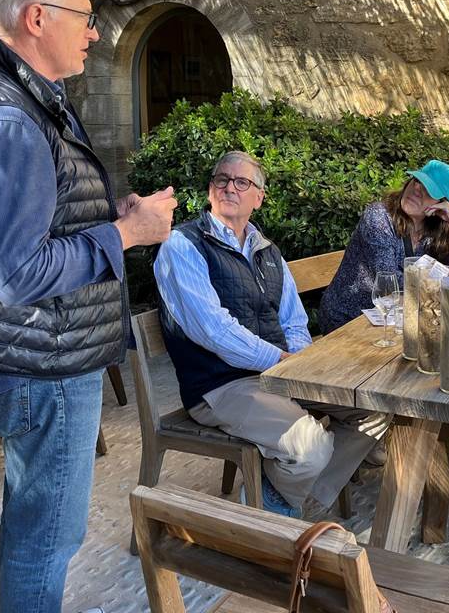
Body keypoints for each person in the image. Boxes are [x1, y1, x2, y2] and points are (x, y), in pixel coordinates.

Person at [0, 0, 177, 613]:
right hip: (44, 365)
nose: (95, 33)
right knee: (46, 538)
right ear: (35, 17)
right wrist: (126, 232)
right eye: (84, 14)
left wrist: (112, 215)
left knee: (39, 530)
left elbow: (42, 226)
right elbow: (16, 273)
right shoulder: (7, 117)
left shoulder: (25, 99)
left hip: (46, 352)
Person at [154, 151, 389, 517]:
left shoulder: (267, 252)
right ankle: (282, 504)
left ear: (258, 198)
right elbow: (214, 330)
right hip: (221, 385)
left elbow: (294, 321)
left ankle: (286, 498)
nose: (230, 187)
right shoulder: (182, 246)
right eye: (222, 180)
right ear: (209, 190)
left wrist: (300, 366)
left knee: (376, 407)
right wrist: (281, 361)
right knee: (310, 449)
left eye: (242, 182)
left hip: (277, 373)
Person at [318, 159, 449, 334]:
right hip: (350, 319)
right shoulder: (378, 218)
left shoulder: (439, 231)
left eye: (428, 189)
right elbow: (389, 282)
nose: (416, 189)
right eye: (417, 181)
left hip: (397, 322)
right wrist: (443, 282)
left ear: (441, 203)